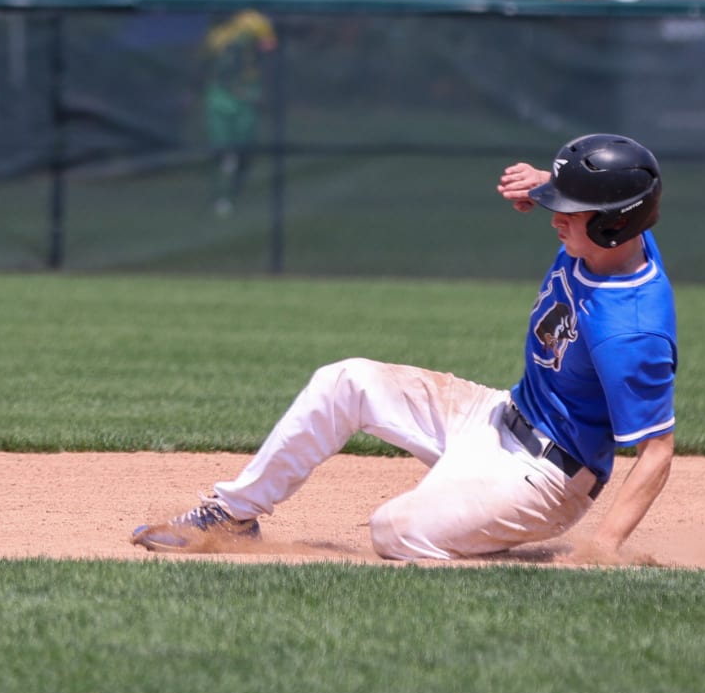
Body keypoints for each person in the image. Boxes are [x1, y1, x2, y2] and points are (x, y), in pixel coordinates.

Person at [132, 133, 677, 563]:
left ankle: (477, 525)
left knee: (394, 531)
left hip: (545, 478)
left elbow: (656, 451)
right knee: (344, 380)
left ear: (613, 224)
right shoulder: (617, 236)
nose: (555, 215)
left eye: (571, 207)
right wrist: (544, 182)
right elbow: (611, 195)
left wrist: (602, 546)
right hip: (499, 414)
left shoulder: (630, 331)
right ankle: (232, 514)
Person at [202, 8, 276, 216]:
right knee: (222, 150)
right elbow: (206, 65)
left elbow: (269, 52)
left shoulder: (256, 23)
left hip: (247, 95)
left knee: (244, 149)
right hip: (221, 96)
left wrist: (263, 91)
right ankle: (221, 196)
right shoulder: (217, 35)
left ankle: (235, 191)